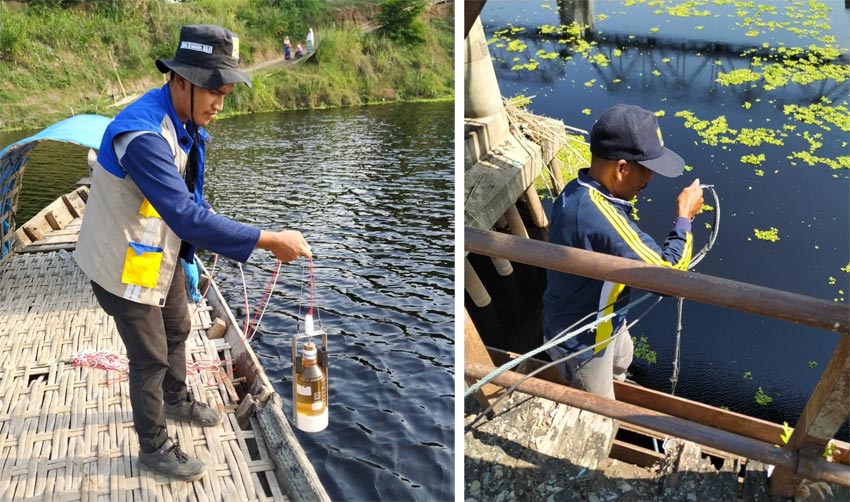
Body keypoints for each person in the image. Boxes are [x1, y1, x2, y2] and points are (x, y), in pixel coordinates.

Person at [74, 24, 312, 482]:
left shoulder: (183, 119)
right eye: (213, 92)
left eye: (225, 94)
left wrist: (195, 240)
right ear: (180, 79)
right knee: (150, 358)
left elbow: (189, 201)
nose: (219, 105)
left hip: (156, 254)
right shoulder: (143, 136)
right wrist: (266, 238)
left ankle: (177, 399)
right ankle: (154, 447)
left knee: (180, 325)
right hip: (121, 266)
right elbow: (184, 215)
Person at [542, 104, 704, 400]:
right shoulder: (600, 217)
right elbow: (669, 276)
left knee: (621, 362)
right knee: (599, 412)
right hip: (583, 345)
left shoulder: (576, 189)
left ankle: (616, 381)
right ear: (622, 168)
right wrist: (684, 217)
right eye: (647, 171)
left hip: (600, 320)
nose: (649, 181)